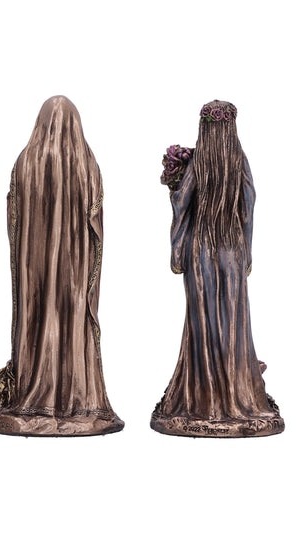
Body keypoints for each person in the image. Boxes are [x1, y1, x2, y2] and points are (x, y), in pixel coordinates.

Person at [0, 96, 123, 436]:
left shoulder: (25, 161)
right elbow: (96, 221)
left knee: (38, 317)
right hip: (75, 267)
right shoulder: (86, 164)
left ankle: (36, 389)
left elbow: (13, 216)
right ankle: (77, 398)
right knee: (72, 319)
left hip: (36, 270)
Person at [152, 100, 284, 437]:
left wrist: (174, 190)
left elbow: (182, 203)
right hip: (232, 251)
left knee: (204, 321)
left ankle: (205, 395)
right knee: (234, 319)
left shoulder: (198, 163)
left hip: (201, 250)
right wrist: (247, 251)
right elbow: (248, 205)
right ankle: (237, 389)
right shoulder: (239, 160)